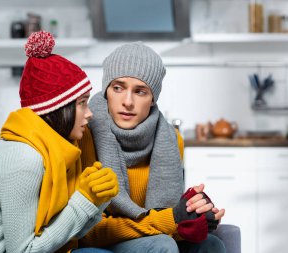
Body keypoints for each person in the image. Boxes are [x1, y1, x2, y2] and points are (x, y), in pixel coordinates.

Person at [0, 31, 118, 253]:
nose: (89, 114)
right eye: (81, 103)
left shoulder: (51, 150)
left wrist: (98, 200)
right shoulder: (23, 158)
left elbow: (65, 233)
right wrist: (84, 200)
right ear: (59, 109)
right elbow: (24, 251)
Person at [78, 42, 226, 253]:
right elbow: (87, 231)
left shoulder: (171, 139)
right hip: (105, 237)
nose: (127, 102)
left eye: (140, 92)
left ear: (153, 98)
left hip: (152, 234)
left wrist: (196, 217)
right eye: (118, 88)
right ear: (106, 91)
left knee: (212, 244)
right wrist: (171, 219)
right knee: (161, 245)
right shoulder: (85, 133)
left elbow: (168, 217)